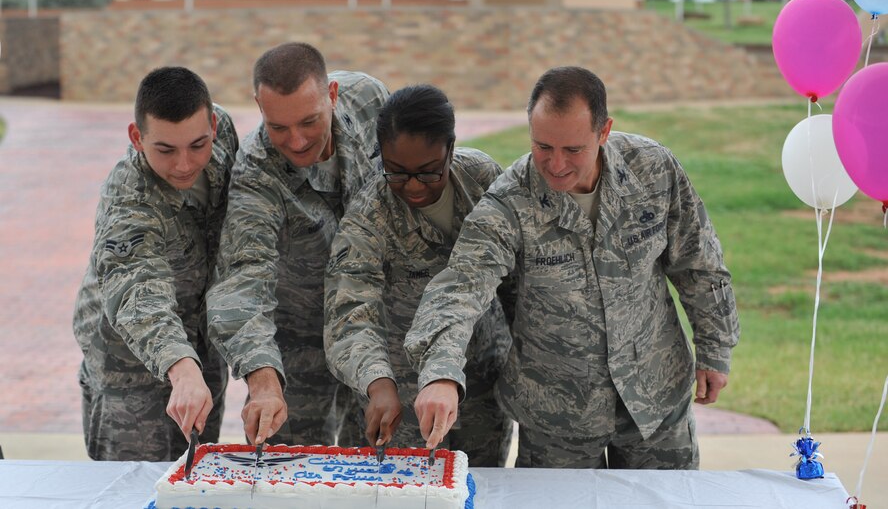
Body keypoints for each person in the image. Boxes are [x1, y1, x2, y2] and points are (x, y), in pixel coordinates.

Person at [405, 66, 740, 469]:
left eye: (573, 150)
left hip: (655, 398)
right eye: (543, 146)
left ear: (604, 131)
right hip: (557, 419)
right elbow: (459, 287)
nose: (557, 164)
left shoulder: (653, 170)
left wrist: (715, 347)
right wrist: (440, 372)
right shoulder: (510, 202)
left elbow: (699, 262)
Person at [206, 42, 389, 447]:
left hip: (376, 329)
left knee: (384, 470)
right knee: (294, 468)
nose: (297, 140)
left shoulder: (369, 100)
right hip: (300, 343)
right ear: (258, 106)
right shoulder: (256, 174)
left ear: (333, 94)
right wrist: (264, 383)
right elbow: (242, 282)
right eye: (278, 127)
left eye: (309, 121)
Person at [325, 84, 512, 464]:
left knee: (478, 489)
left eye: (428, 173)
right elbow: (349, 311)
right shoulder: (368, 215)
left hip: (480, 385)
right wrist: (378, 383)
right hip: (399, 395)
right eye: (396, 173)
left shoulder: (484, 180)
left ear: (451, 149)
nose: (411, 186)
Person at [73, 66, 239, 461]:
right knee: (132, 492)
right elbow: (136, 291)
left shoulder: (222, 133)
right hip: (128, 371)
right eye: (165, 150)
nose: (184, 164)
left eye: (198, 145)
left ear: (213, 125)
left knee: (194, 482)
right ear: (137, 137)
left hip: (199, 350)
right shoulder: (127, 199)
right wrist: (180, 369)